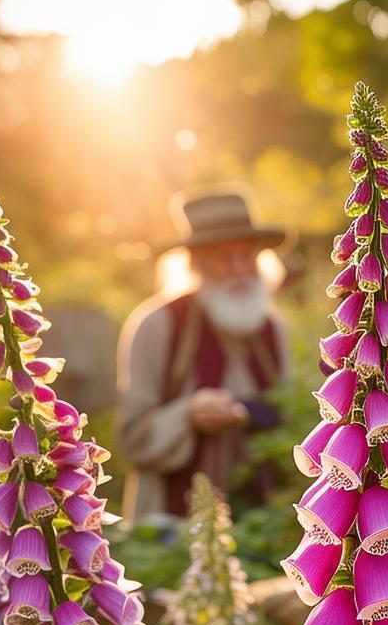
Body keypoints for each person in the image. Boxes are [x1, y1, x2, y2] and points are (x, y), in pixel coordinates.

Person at [117, 186, 288, 522]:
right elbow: (133, 438)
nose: (239, 269)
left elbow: (288, 413)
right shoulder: (157, 325)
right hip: (171, 521)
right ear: (196, 263)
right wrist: (187, 415)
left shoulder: (272, 328)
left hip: (262, 519)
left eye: (247, 256)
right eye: (225, 258)